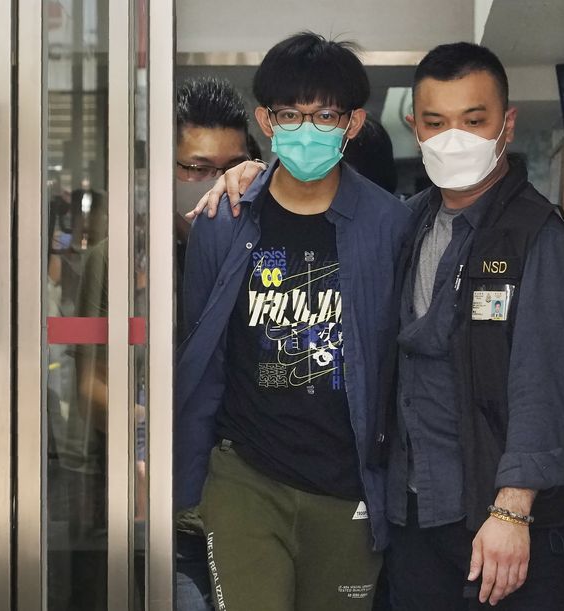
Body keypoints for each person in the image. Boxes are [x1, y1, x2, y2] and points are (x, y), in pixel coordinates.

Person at [191, 41, 564, 611]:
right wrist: (249, 175)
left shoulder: (534, 235)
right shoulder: (413, 221)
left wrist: (513, 509)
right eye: (436, 122)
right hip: (412, 512)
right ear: (415, 128)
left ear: (506, 124)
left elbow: (543, 384)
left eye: (474, 121)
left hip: (494, 520)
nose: (454, 138)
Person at [174, 32, 410, 611]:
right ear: (266, 119)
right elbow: (200, 355)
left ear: (353, 123)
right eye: (289, 114)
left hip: (348, 486)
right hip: (247, 479)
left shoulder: (390, 227)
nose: (307, 129)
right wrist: (186, 486)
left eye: (325, 115)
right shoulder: (224, 222)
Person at [174, 76, 253, 611]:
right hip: (159, 497)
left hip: (245, 499)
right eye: (197, 168)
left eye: (231, 167)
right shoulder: (128, 256)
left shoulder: (263, 242)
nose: (215, 183)